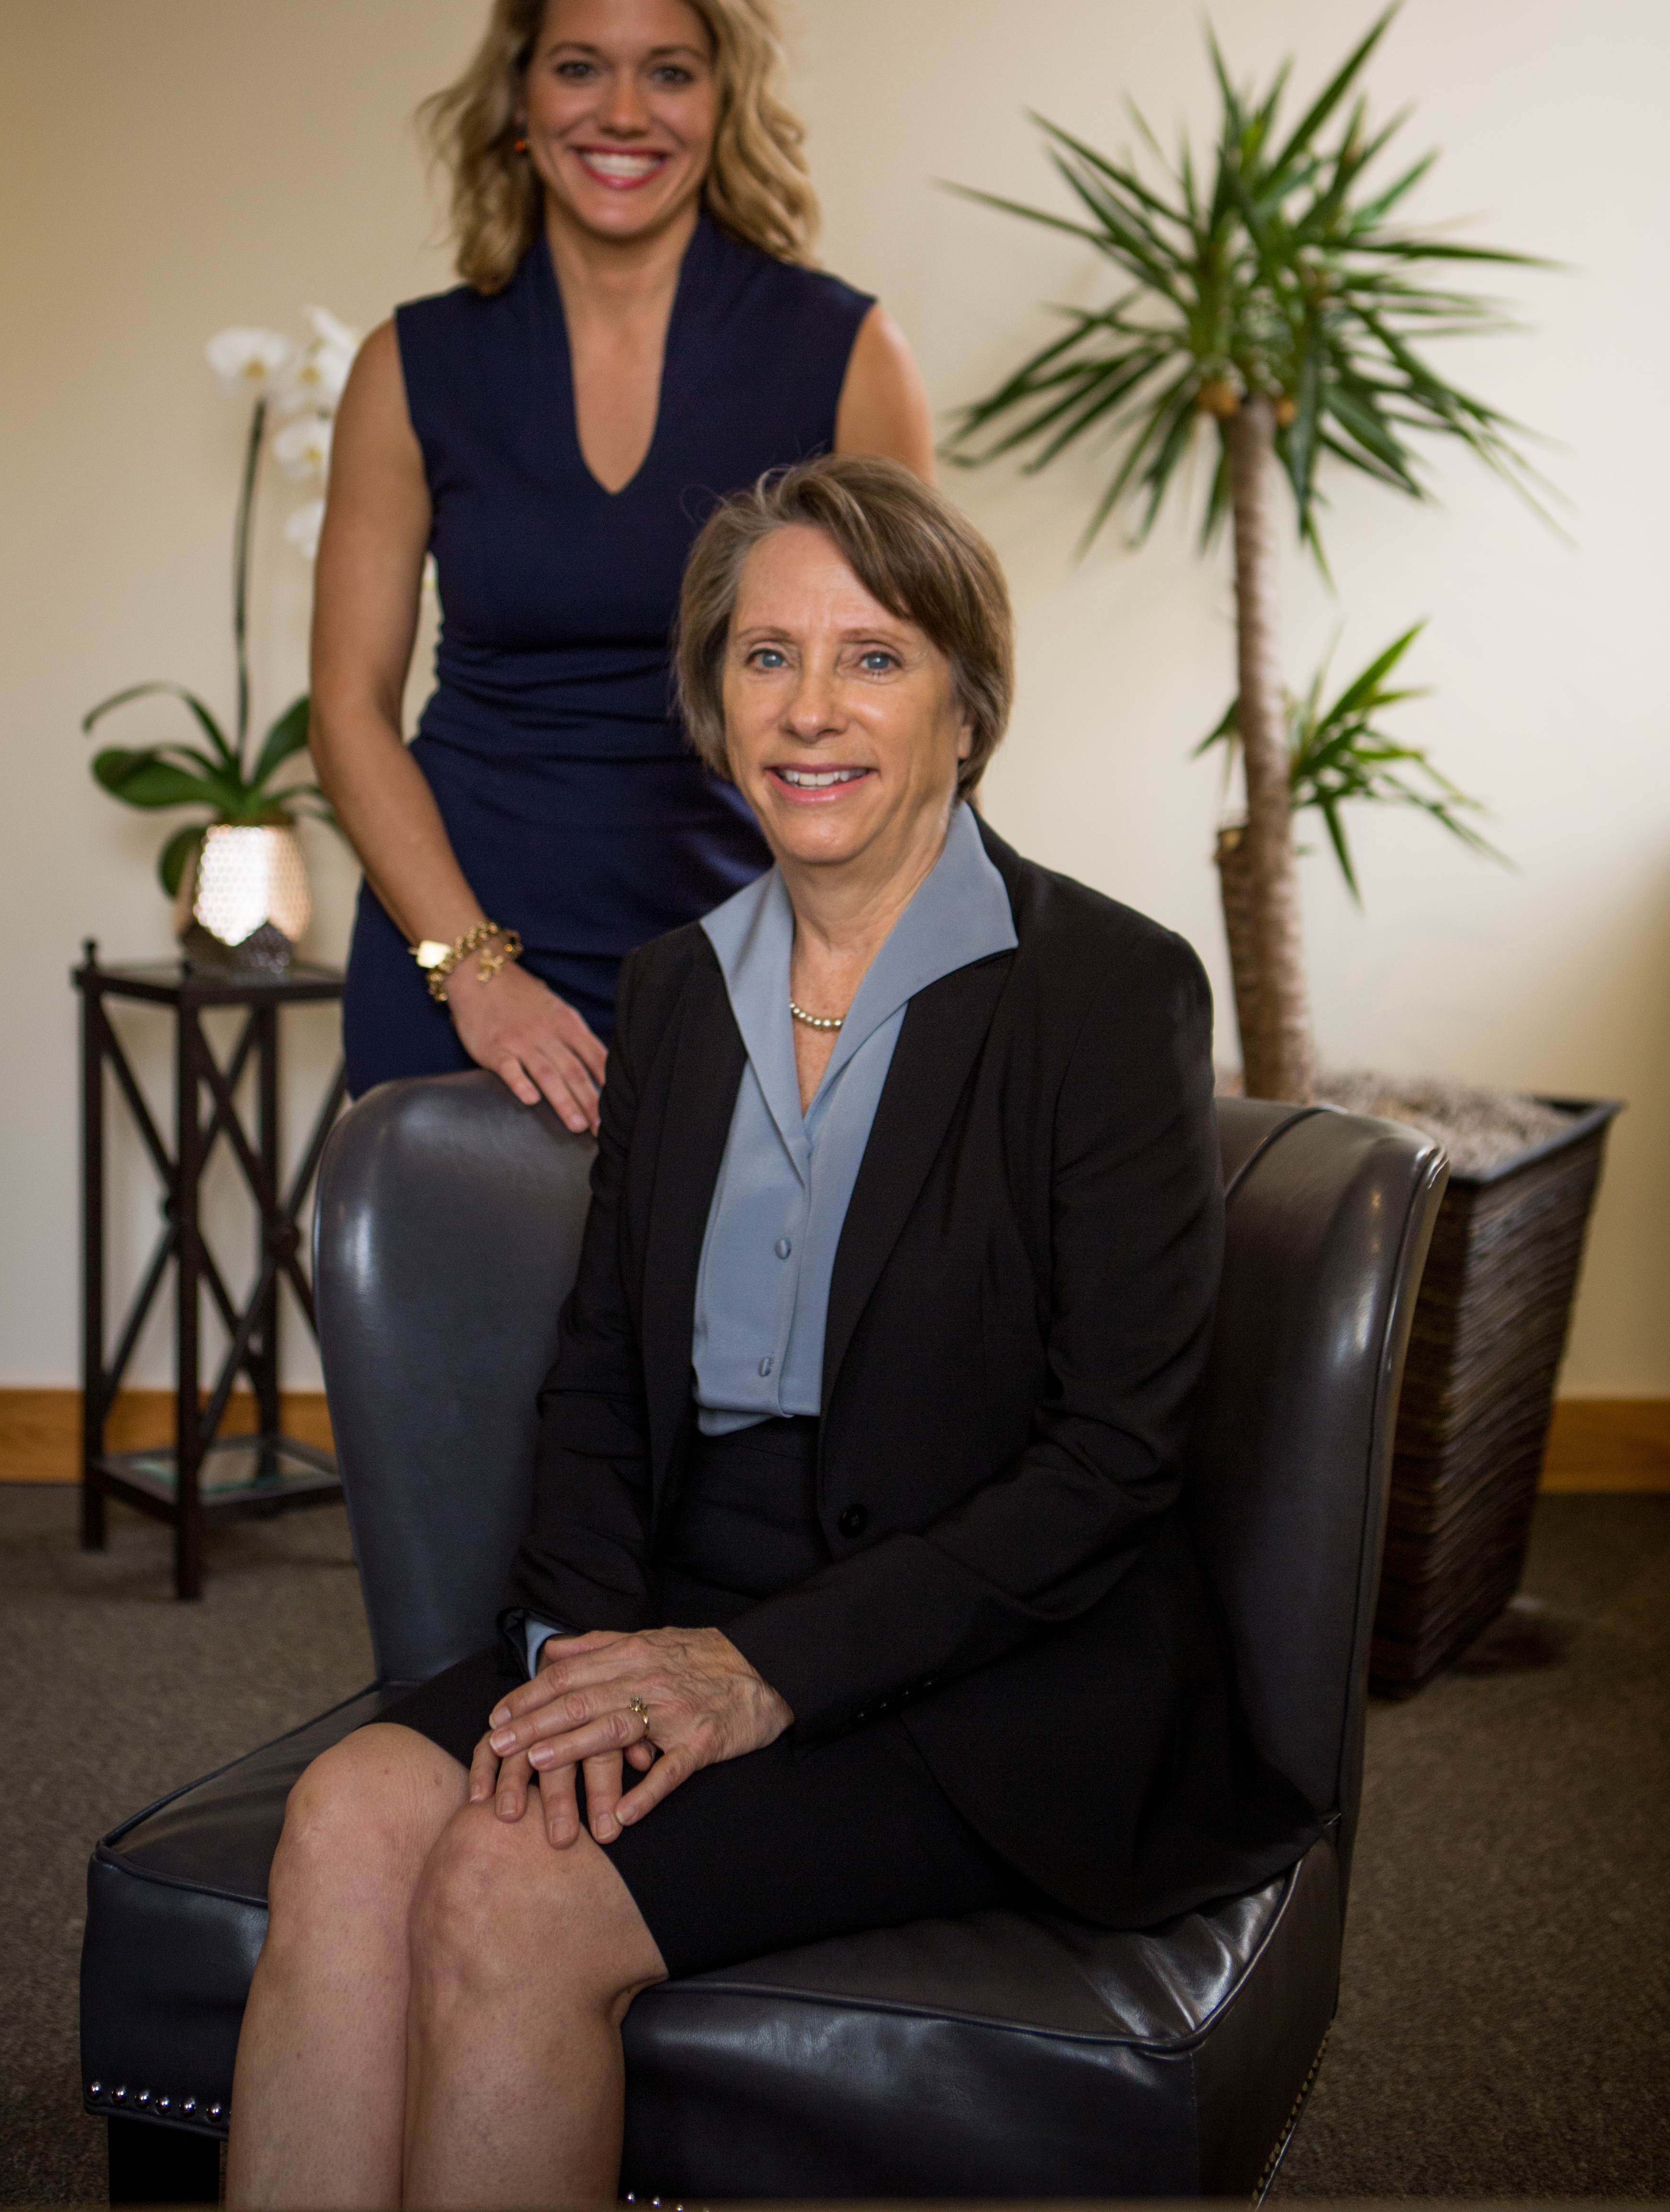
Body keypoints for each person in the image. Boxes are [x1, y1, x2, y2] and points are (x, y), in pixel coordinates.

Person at [228, 456, 1316, 2212]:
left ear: (968, 706)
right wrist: (581, 1652)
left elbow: (1114, 1457)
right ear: (712, 701)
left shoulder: (1108, 991)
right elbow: (596, 1383)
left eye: (874, 659)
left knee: (510, 1892)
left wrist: (760, 1675)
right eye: (764, 658)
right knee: (350, 1821)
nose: (811, 711)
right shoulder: (673, 987)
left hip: (984, 1660)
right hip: (677, 1597)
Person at [311, 0, 935, 1124]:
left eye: (671, 72)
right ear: (519, 102)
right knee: (454, 1316)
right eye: (580, 67)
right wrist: (476, 975)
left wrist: (853, 974)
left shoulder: (848, 356)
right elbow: (346, 714)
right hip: (455, 968)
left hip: (755, 972)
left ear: (723, 101)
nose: (623, 112)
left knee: (746, 1326)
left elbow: (911, 706)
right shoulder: (408, 369)